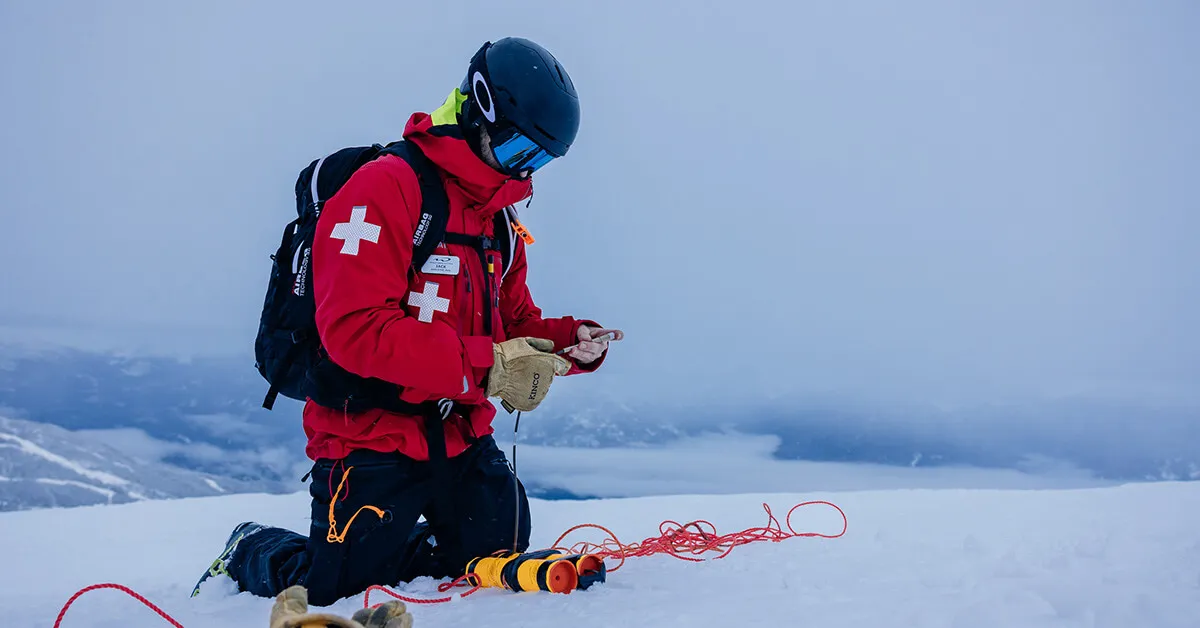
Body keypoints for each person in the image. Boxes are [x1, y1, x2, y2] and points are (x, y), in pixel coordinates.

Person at [196, 37, 621, 606]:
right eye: (522, 149)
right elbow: (355, 329)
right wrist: (487, 366)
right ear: (480, 111)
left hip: (457, 428)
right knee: (338, 589)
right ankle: (251, 548)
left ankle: (397, 546)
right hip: (370, 431)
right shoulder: (386, 188)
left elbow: (512, 318)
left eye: (541, 159)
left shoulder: (496, 217)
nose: (527, 170)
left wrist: (570, 341)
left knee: (497, 554)